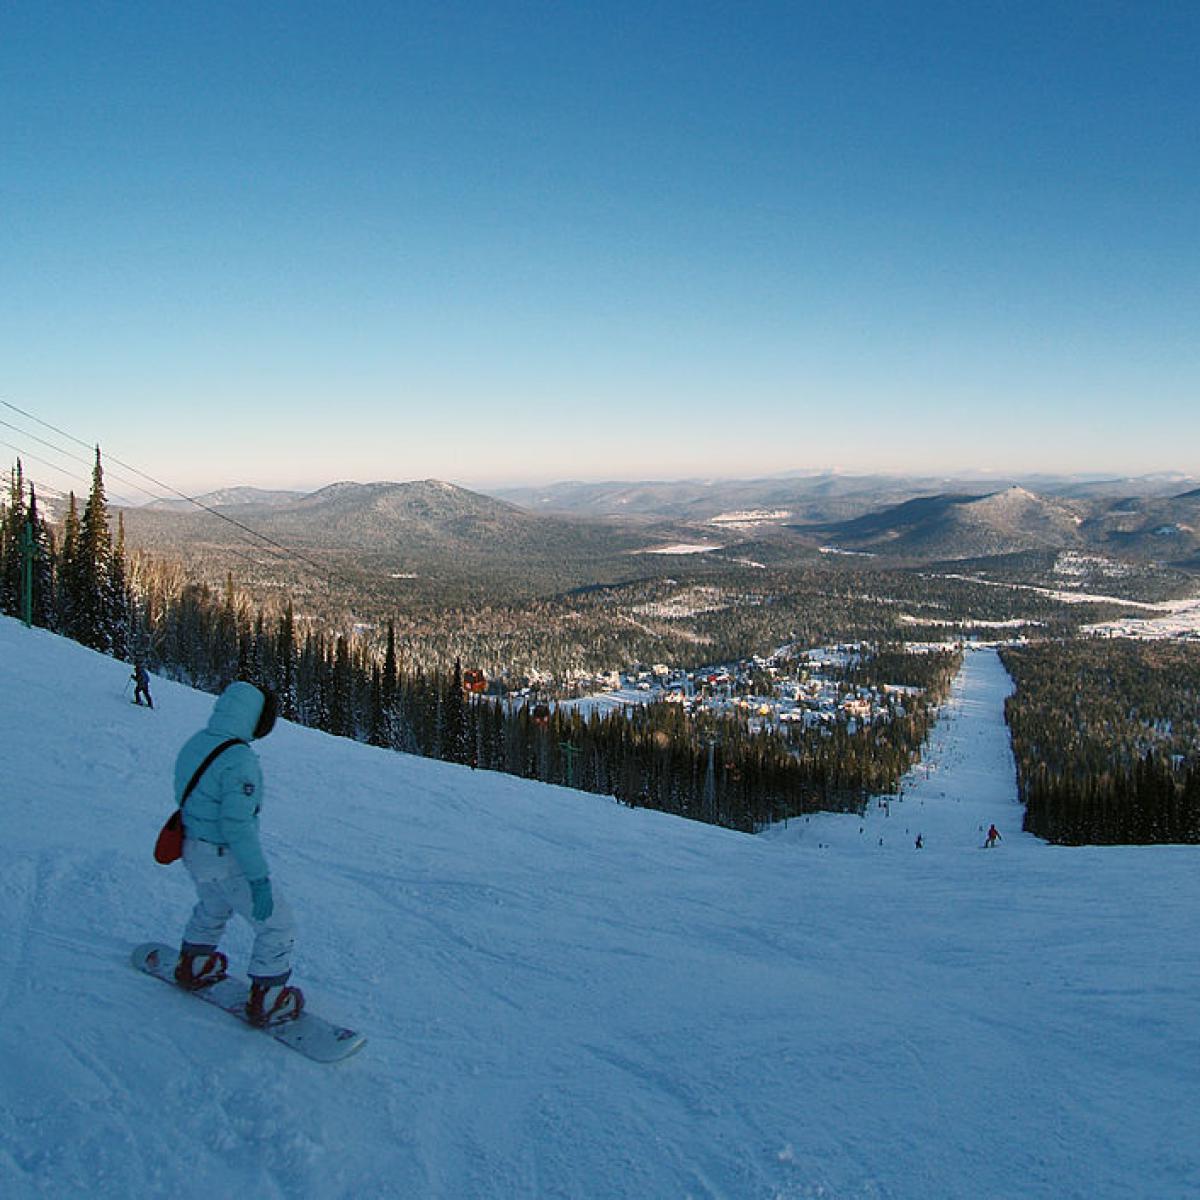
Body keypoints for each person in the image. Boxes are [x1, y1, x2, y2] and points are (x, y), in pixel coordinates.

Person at [172, 681, 303, 1027]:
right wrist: (258, 878)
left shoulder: (197, 743)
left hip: (192, 849)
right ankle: (269, 999)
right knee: (277, 924)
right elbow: (237, 827)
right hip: (223, 856)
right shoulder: (239, 760)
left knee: (213, 906)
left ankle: (194, 963)